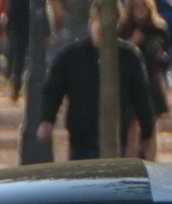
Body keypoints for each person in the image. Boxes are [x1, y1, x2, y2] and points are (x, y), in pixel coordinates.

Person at [37, 9, 157, 160]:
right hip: (81, 143)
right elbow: (52, 91)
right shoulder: (70, 57)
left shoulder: (129, 57)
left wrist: (146, 130)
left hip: (116, 143)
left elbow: (142, 97)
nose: (102, 29)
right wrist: (47, 119)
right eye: (98, 23)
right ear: (90, 23)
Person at [119, 0, 171, 118]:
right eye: (136, 5)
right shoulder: (123, 29)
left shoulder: (158, 28)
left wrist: (162, 56)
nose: (140, 9)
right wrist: (132, 42)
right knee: (131, 126)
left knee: (150, 128)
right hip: (130, 84)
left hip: (152, 82)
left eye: (143, 4)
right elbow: (118, 56)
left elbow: (164, 57)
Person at [2, 0, 34, 100]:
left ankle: (16, 83)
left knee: (17, 58)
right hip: (28, 29)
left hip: (18, 30)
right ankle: (17, 82)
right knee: (21, 58)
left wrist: (7, 27)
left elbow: (10, 12)